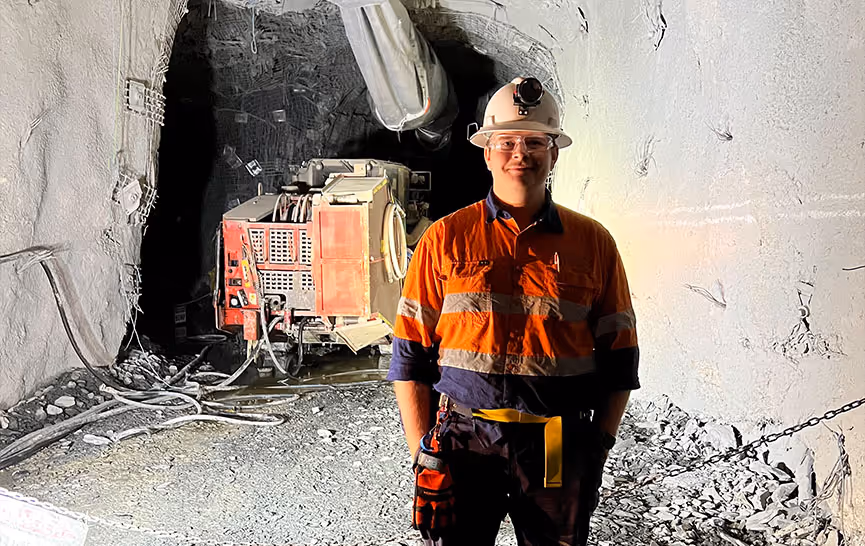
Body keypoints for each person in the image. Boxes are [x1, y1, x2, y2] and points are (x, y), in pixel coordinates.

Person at [387, 76, 640, 546]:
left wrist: (597, 448)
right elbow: (409, 356)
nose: (519, 152)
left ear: (554, 152)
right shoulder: (444, 239)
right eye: (506, 141)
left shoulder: (594, 243)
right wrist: (423, 452)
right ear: (486, 152)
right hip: (465, 440)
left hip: (556, 444)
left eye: (534, 141)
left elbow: (620, 359)